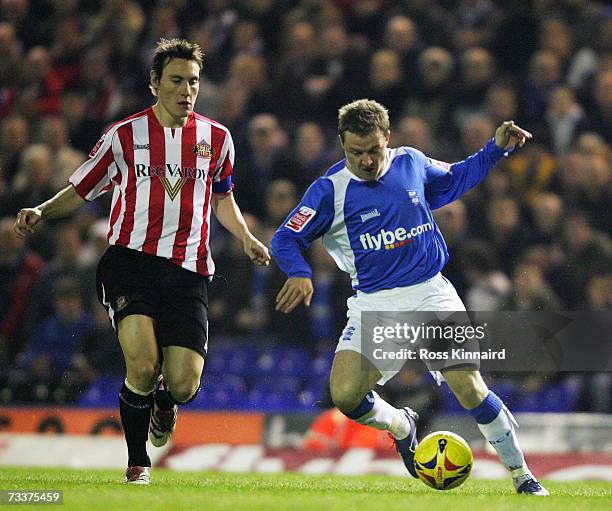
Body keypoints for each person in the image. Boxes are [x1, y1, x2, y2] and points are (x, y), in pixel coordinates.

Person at [14, 38, 270, 485]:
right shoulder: (123, 136)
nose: (186, 90)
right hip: (130, 263)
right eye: (176, 81)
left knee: (185, 382)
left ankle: (166, 403)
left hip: (189, 270)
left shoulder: (217, 139)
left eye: (192, 81)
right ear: (155, 83)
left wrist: (246, 238)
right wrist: (41, 211)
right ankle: (137, 462)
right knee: (142, 363)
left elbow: (223, 196)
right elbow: (80, 190)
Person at [271, 99, 548, 496]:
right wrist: (299, 272)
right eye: (355, 153)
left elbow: (454, 179)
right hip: (374, 305)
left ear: (387, 138)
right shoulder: (329, 190)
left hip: (429, 293)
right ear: (342, 146)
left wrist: (495, 149)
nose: (365, 161)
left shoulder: (411, 162)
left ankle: (523, 476)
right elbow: (285, 237)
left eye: (373, 150)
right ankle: (402, 425)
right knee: (345, 395)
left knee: (468, 387)